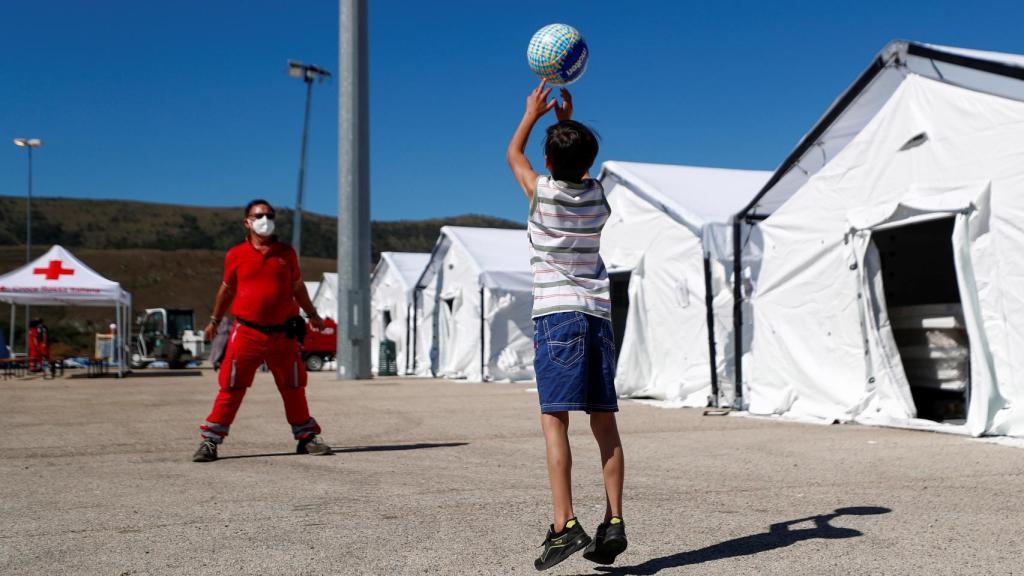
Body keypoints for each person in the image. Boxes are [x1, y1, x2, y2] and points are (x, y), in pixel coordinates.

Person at [506, 79, 627, 571]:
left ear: (550, 163)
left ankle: (564, 524)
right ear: (589, 163)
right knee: (606, 425)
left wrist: (532, 112)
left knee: (555, 422)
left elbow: (514, 153)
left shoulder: (541, 192)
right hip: (598, 316)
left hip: (557, 318)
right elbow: (574, 164)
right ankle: (614, 520)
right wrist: (565, 123)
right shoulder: (598, 196)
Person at [192, 199, 332, 462]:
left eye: (269, 215)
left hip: (282, 334)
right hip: (247, 332)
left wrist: (312, 315)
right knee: (232, 385)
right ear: (247, 222)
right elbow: (226, 289)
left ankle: (306, 437)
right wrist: (215, 320)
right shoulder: (236, 254)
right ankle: (210, 440)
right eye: (258, 216)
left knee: (293, 386)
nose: (264, 219)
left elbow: (298, 287)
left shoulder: (286, 254)